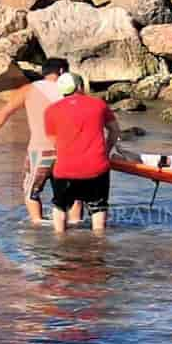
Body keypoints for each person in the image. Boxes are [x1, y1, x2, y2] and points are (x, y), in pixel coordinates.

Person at [0, 58, 81, 224]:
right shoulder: (74, 92)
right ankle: (76, 225)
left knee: (31, 191)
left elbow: (4, 113)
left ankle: (37, 224)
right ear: (62, 72)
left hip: (40, 151)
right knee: (73, 194)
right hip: (69, 151)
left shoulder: (28, 90)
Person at [45, 73, 121, 233]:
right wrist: (106, 151)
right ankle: (98, 244)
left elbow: (53, 141)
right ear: (80, 87)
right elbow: (114, 131)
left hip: (65, 168)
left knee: (60, 206)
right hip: (96, 167)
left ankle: (59, 241)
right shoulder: (99, 104)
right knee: (98, 207)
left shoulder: (51, 110)